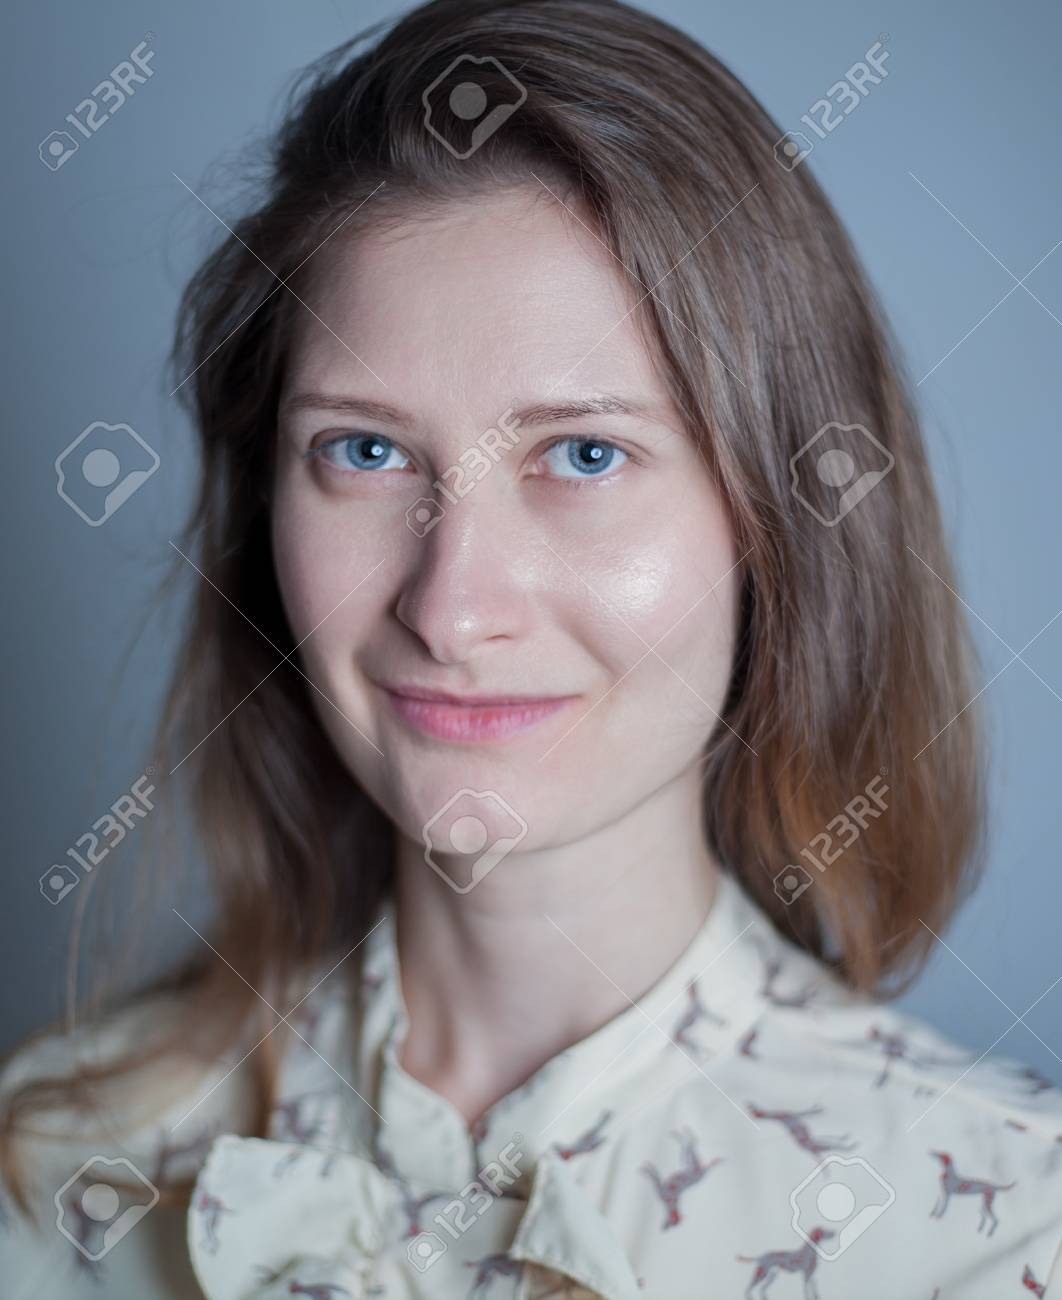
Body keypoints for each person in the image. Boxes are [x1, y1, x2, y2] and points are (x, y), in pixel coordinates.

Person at [3, 1, 1061, 1296]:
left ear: (779, 524)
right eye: (365, 451)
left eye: (585, 455)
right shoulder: (49, 1159)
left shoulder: (1008, 1224)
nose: (450, 609)